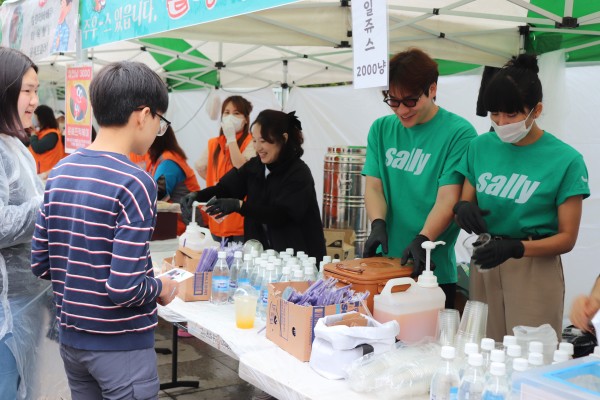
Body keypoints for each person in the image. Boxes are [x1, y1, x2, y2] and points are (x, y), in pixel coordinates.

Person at [31, 61, 178, 399]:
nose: (158, 129)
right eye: (159, 120)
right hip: (120, 347)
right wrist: (161, 287)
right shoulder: (135, 182)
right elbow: (124, 288)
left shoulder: (60, 171)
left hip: (71, 340)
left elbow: (40, 263)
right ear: (143, 115)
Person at [453, 54, 590, 342]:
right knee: (484, 351)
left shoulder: (565, 160)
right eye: (494, 114)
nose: (501, 123)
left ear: (536, 110)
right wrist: (463, 208)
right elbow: (467, 200)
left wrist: (516, 248)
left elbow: (567, 238)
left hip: (534, 267)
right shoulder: (479, 147)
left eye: (511, 115)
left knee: (530, 356)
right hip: (486, 260)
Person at [361, 48, 477, 309]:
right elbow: (374, 186)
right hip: (384, 268)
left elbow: (449, 197)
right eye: (393, 101)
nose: (401, 110)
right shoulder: (381, 129)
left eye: (410, 101)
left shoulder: (458, 133)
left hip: (430, 272)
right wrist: (378, 223)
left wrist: (423, 238)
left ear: (432, 89)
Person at [182, 110, 326, 260]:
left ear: (283, 139)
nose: (258, 148)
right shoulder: (255, 166)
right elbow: (226, 188)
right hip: (263, 258)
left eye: (263, 141)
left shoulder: (298, 173)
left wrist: (241, 206)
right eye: (255, 141)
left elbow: (281, 215)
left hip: (299, 260)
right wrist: (197, 196)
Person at [0, 47, 54, 400]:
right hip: (6, 307)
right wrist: (48, 204)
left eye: (37, 91)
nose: (34, 100)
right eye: (27, 91)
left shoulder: (15, 144)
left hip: (26, 301)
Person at [194, 95, 256, 243]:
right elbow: (200, 167)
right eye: (226, 112)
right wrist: (217, 184)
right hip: (217, 215)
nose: (230, 117)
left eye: (236, 113)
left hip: (239, 217)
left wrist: (232, 139)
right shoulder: (214, 143)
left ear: (246, 119)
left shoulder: (251, 142)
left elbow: (241, 167)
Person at [147, 125, 201, 235]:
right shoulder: (169, 157)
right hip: (186, 222)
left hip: (186, 225)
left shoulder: (168, 162)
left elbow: (158, 195)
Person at [29, 104, 65, 176]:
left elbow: (38, 148)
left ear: (41, 118)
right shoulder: (42, 132)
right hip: (41, 173)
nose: (33, 119)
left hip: (47, 175)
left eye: (35, 117)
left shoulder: (52, 135)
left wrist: (33, 134)